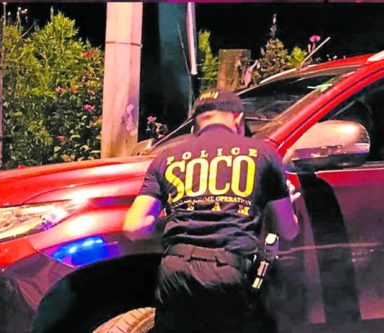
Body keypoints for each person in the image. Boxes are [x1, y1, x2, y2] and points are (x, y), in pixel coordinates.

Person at [123, 88, 299, 333]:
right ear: (238, 119)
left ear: (196, 126)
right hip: (227, 273)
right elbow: (288, 230)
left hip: (175, 273)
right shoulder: (263, 154)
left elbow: (134, 227)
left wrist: (182, 214)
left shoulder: (165, 159)